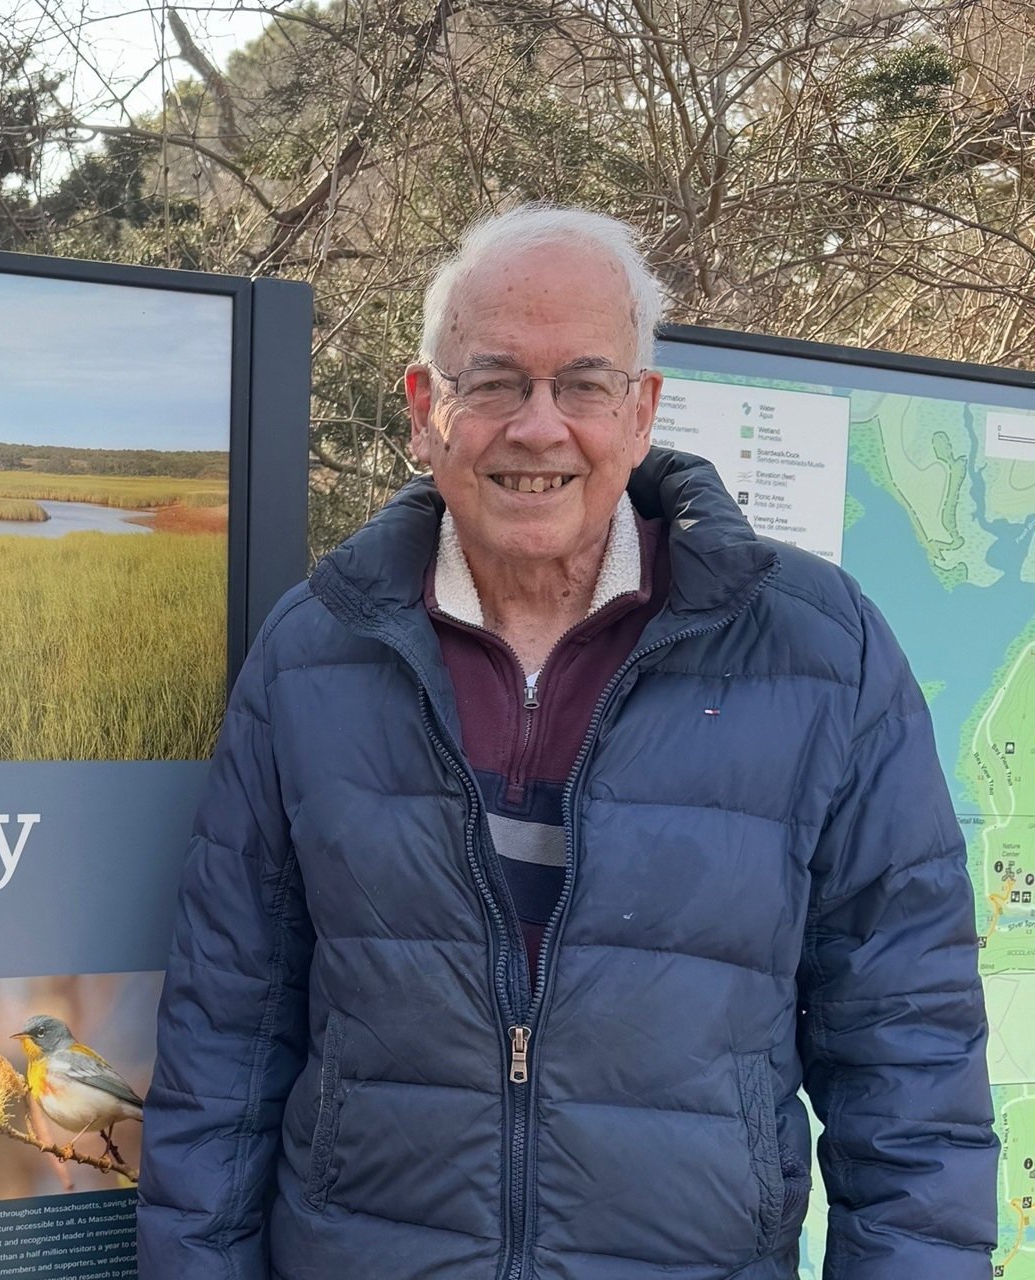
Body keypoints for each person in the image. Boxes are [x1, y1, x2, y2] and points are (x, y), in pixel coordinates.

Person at [137, 205, 996, 1280]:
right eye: (493, 380)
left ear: (641, 412)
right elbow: (227, 1039)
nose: (538, 427)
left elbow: (910, 1062)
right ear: (425, 410)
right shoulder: (315, 653)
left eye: (583, 384)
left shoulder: (823, 652)